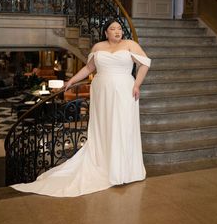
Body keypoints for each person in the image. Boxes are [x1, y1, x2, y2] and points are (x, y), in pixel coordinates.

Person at [11, 19, 151, 197]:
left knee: (122, 127)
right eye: (112, 29)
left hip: (124, 90)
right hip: (102, 91)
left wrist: (137, 85)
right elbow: (89, 68)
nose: (117, 31)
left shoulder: (130, 44)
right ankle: (105, 163)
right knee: (104, 128)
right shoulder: (98, 47)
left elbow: (144, 64)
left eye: (119, 29)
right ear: (105, 32)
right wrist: (71, 81)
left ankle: (124, 170)